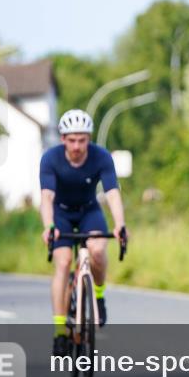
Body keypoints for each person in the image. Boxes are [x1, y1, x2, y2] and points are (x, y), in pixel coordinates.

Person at [39, 109, 127, 357]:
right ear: (63, 139)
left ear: (89, 139)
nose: (77, 146)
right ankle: (59, 332)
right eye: (72, 140)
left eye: (82, 140)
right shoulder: (50, 159)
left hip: (89, 211)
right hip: (61, 213)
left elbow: (112, 193)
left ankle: (98, 295)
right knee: (64, 261)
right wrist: (49, 227)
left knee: (98, 250)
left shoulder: (101, 157)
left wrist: (120, 224)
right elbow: (46, 197)